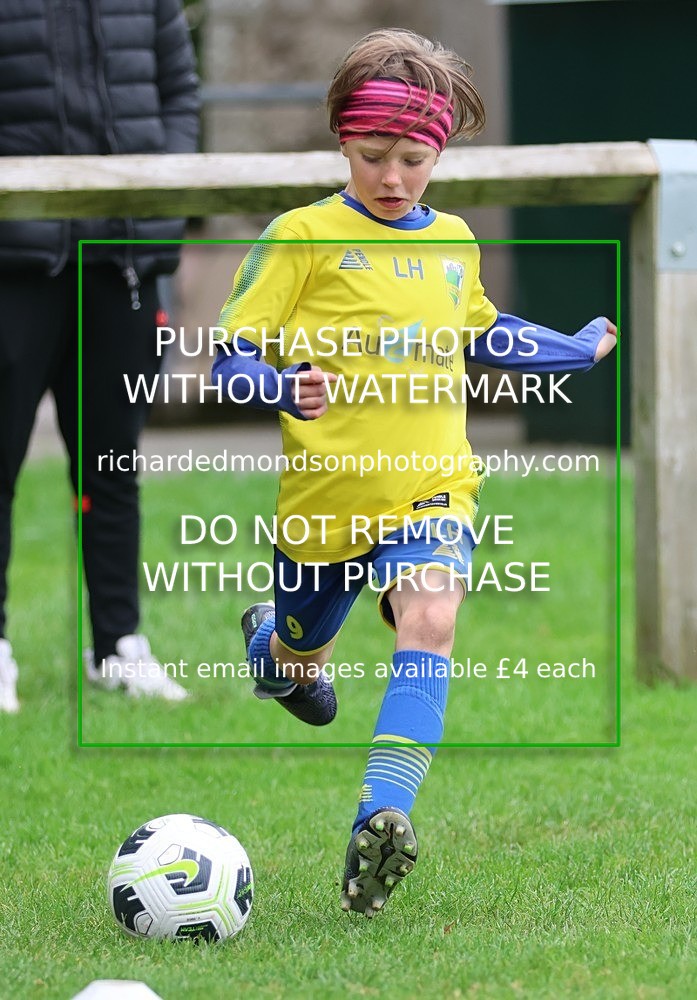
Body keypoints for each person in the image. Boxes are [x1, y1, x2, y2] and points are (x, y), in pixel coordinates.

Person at [213, 28, 617, 916]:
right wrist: (282, 382)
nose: (392, 178)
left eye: (412, 158)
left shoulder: (455, 241)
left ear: (439, 151)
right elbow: (226, 361)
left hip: (432, 489)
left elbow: (482, 331)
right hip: (322, 510)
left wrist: (569, 350)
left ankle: (379, 823)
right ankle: (274, 653)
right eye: (371, 157)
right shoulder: (301, 237)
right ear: (341, 143)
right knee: (300, 665)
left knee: (429, 617)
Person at [0, 0, 200, 713]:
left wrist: (159, 199)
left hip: (121, 266)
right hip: (14, 262)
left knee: (110, 468)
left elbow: (180, 97)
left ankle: (119, 646)